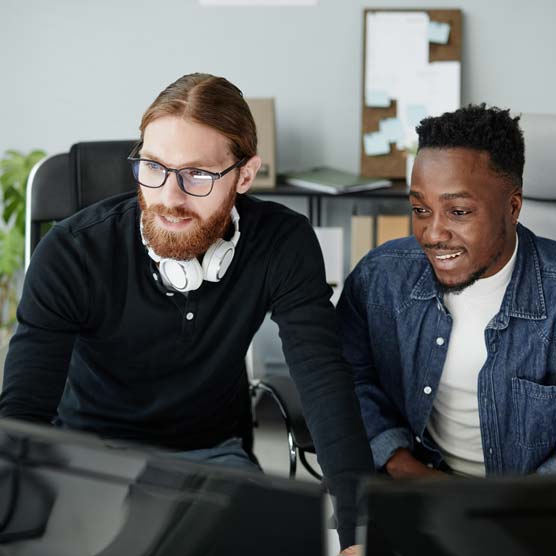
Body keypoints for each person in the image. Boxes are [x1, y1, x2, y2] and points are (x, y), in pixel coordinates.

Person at [0, 73, 373, 551]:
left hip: (211, 458)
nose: (168, 197)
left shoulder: (283, 243)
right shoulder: (73, 252)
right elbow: (24, 412)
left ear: (244, 175)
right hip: (87, 455)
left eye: (196, 174)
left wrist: (358, 533)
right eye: (153, 167)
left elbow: (324, 381)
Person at [337, 103, 556, 479]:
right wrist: (402, 465)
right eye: (421, 209)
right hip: (418, 492)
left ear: (513, 207)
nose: (433, 234)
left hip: (533, 513)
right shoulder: (381, 279)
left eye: (459, 212)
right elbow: (348, 378)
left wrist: (512, 512)